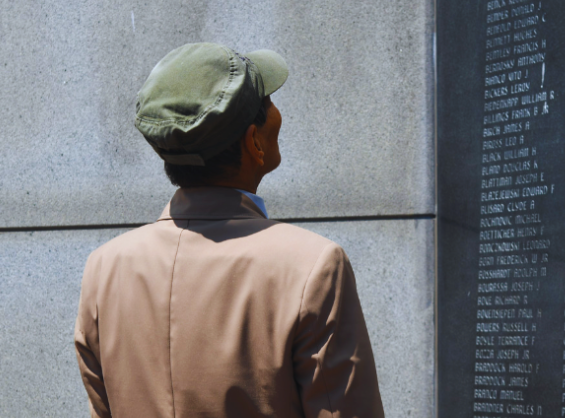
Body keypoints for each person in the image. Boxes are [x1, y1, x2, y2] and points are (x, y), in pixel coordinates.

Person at [74, 42, 384, 418]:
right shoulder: (312, 267)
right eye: (267, 102)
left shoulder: (104, 269)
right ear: (254, 141)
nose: (277, 112)